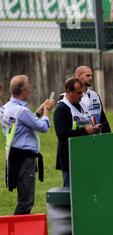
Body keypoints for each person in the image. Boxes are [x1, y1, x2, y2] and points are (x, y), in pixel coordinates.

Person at [0, 75, 55, 214]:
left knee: (23, 199)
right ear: (23, 90)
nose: (30, 89)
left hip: (14, 156)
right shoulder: (22, 111)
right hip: (24, 160)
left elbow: (23, 125)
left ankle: (16, 231)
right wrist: (47, 111)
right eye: (28, 86)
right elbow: (43, 127)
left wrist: (38, 112)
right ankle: (16, 232)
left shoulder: (5, 108)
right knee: (26, 202)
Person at [54, 77, 102, 187]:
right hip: (69, 158)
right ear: (68, 91)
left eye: (82, 93)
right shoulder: (62, 109)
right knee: (71, 194)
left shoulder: (83, 106)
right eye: (78, 93)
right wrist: (85, 131)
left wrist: (94, 128)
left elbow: (86, 124)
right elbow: (62, 135)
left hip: (84, 155)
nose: (81, 96)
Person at [74, 65, 112, 133]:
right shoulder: (67, 97)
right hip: (77, 139)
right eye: (88, 75)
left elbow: (102, 119)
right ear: (78, 77)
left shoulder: (95, 95)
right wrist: (88, 128)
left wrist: (109, 138)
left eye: (91, 75)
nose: (91, 78)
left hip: (95, 139)